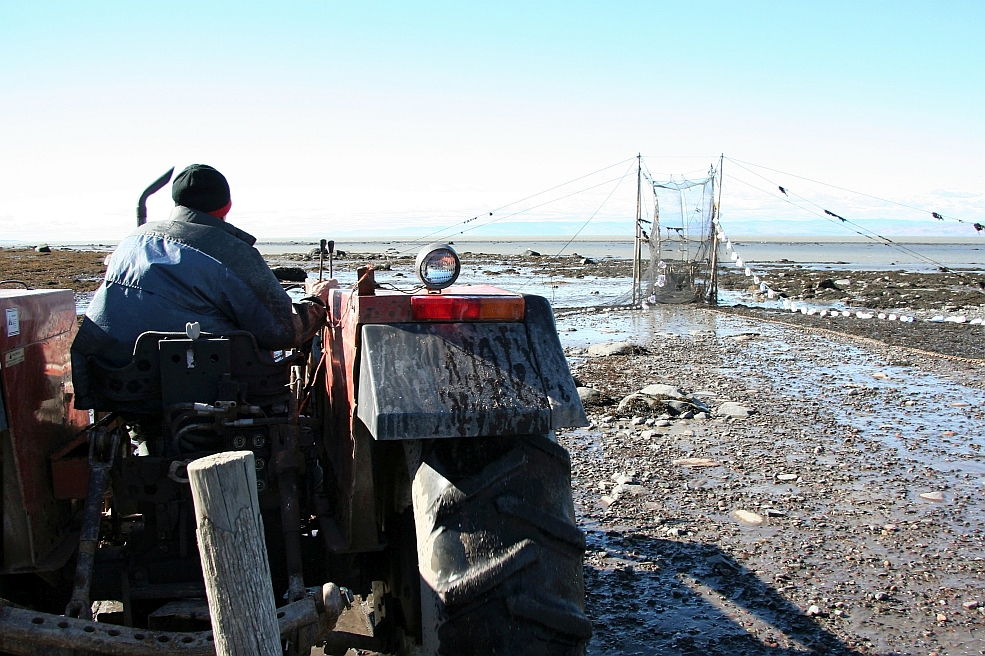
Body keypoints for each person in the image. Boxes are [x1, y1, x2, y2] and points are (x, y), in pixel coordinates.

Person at [71, 164, 335, 409]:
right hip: (216, 396)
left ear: (176, 203)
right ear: (227, 205)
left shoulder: (130, 242)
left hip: (123, 386)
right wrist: (315, 302)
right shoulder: (231, 251)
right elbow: (282, 331)